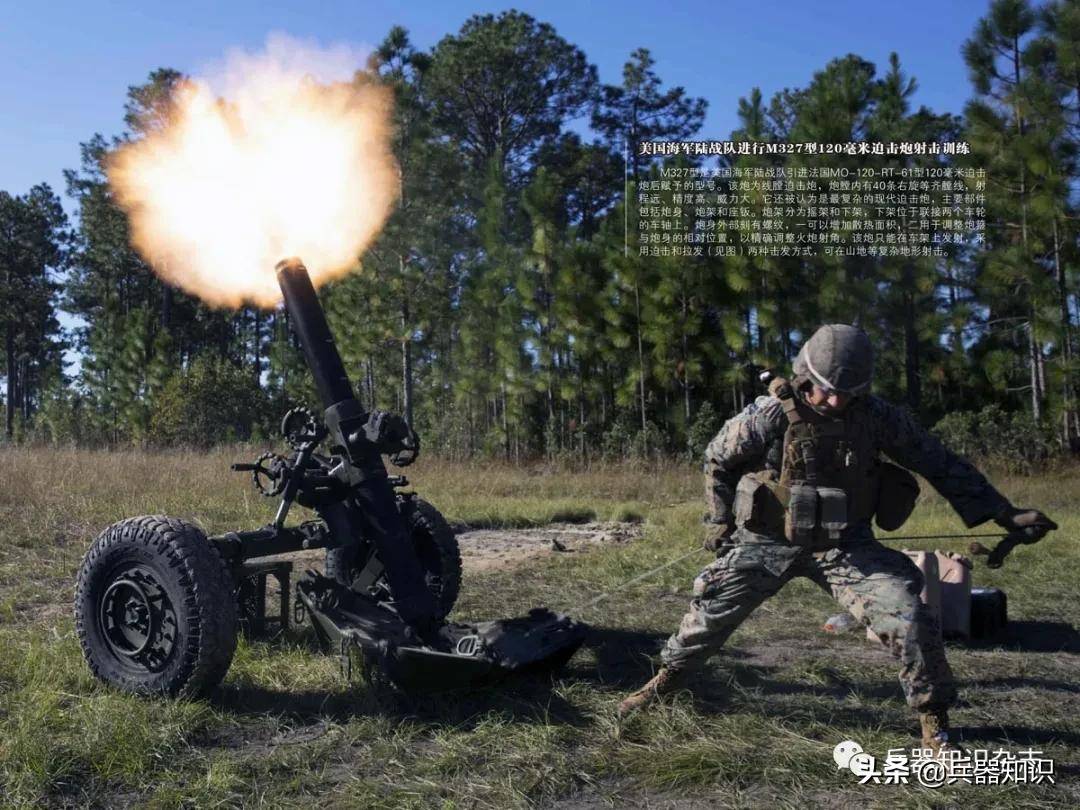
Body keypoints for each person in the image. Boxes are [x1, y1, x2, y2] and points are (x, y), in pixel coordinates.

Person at [617, 324, 1057, 753]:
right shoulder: (769, 414)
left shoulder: (876, 418)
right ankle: (666, 682)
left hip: (847, 544)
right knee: (708, 614)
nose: (835, 400)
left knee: (907, 616)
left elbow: (939, 461)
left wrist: (1005, 513)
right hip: (767, 541)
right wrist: (719, 521)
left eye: (848, 392)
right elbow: (717, 459)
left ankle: (933, 721)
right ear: (805, 377)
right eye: (826, 389)